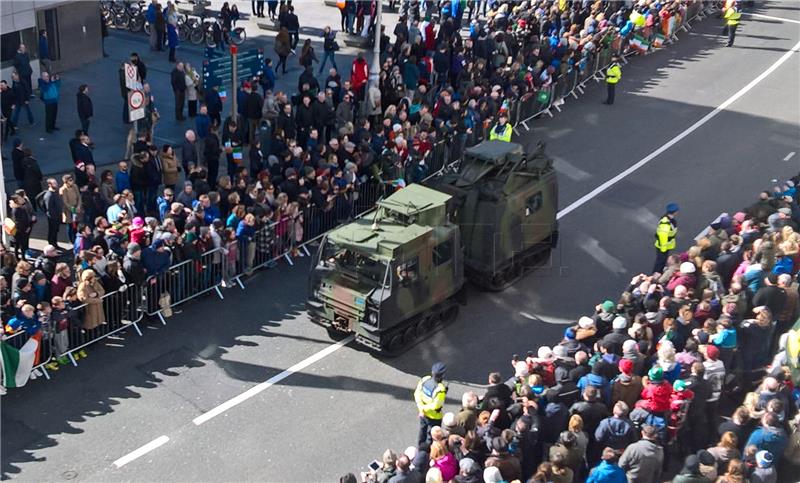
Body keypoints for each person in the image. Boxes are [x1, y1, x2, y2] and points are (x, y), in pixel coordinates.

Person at [414, 362, 447, 445]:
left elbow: (417, 394)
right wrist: (423, 409)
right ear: (442, 376)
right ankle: (428, 452)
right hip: (434, 417)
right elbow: (436, 405)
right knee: (431, 437)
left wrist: (421, 408)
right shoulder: (440, 389)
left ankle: (420, 448)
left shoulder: (425, 379)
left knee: (422, 432)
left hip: (423, 414)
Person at [654, 202, 679, 273]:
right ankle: (655, 275)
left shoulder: (668, 219)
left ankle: (658, 273)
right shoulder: (666, 223)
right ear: (675, 212)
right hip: (663, 247)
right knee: (660, 262)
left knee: (661, 261)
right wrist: (663, 249)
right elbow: (663, 236)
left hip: (665, 245)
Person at [42, 178, 63, 248]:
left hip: (57, 216)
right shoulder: (49, 195)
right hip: (53, 217)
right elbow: (49, 209)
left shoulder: (55, 192)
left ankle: (55, 243)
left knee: (56, 231)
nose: (56, 184)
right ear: (49, 185)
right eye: (54, 183)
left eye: (56, 183)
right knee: (52, 231)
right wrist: (55, 217)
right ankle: (52, 244)